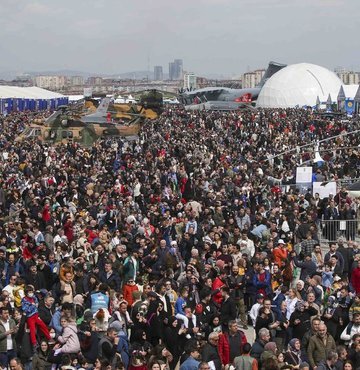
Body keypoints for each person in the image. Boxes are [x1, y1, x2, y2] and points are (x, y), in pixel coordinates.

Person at [21, 285, 51, 350]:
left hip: (36, 315)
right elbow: (25, 309)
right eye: (29, 292)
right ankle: (34, 343)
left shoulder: (34, 297)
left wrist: (35, 305)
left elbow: (36, 303)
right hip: (30, 317)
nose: (31, 293)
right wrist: (32, 306)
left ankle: (49, 338)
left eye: (31, 291)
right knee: (32, 329)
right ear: (26, 293)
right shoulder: (24, 300)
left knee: (42, 325)